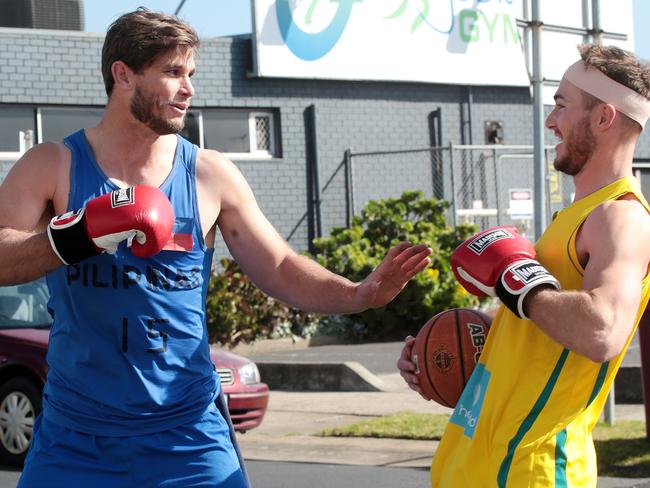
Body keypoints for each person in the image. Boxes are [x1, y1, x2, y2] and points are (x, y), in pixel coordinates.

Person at [0, 8, 432, 488]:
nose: (189, 89)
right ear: (122, 74)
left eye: (191, 74)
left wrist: (358, 294)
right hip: (76, 438)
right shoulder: (53, 164)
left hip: (187, 438)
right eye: (172, 72)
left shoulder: (209, 174)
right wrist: (79, 234)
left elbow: (281, 265)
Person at [398, 43, 650, 487]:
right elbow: (542, 321)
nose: (551, 121)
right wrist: (456, 346)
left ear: (604, 117)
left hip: (534, 468)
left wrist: (518, 283)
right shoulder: (574, 217)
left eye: (561, 106)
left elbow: (602, 331)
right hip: (481, 461)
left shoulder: (622, 216)